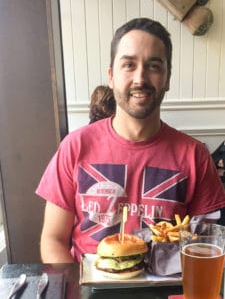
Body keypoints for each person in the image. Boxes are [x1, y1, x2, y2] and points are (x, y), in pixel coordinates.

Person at [36, 18, 225, 263]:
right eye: (129, 64)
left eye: (154, 66)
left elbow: (206, 245)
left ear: (167, 79)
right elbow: (53, 240)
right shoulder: (74, 147)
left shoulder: (195, 155)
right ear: (111, 76)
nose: (140, 78)